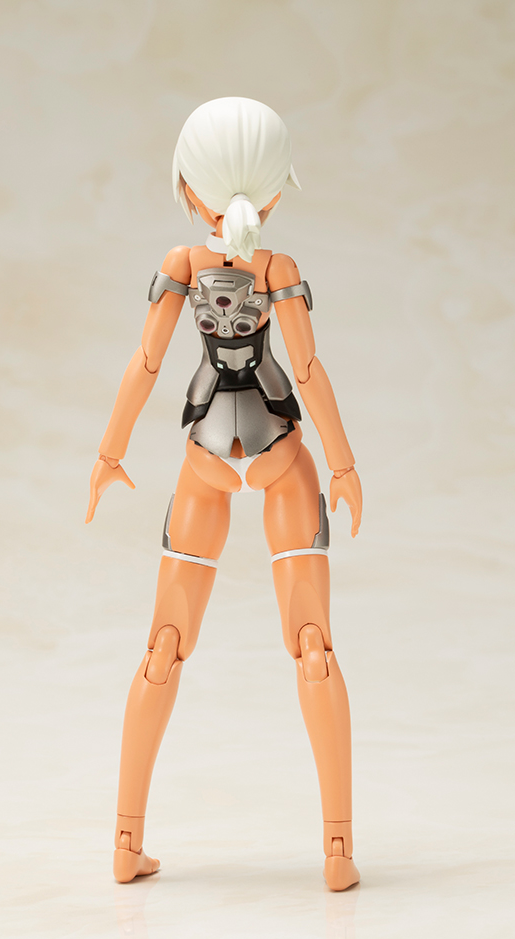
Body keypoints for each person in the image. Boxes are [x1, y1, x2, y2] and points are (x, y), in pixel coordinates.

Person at [86, 97, 362, 891]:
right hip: (277, 448)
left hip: (206, 453)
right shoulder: (278, 269)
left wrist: (109, 451)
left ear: (186, 185)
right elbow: (306, 370)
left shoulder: (181, 263)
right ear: (274, 192)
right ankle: (337, 851)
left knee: (163, 647)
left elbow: (144, 364)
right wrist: (341, 463)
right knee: (312, 645)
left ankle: (125, 842)